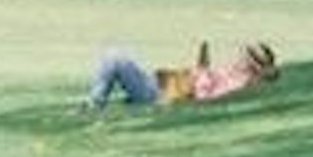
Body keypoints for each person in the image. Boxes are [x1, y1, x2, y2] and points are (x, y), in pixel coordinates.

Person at [84, 38, 277, 110]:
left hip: (160, 93)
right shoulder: (232, 74)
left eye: (247, 56)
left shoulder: (239, 83)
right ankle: (95, 105)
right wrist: (203, 64)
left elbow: (204, 97)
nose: (241, 57)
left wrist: (202, 70)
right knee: (115, 58)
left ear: (253, 66)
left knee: (115, 58)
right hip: (161, 83)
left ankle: (93, 108)